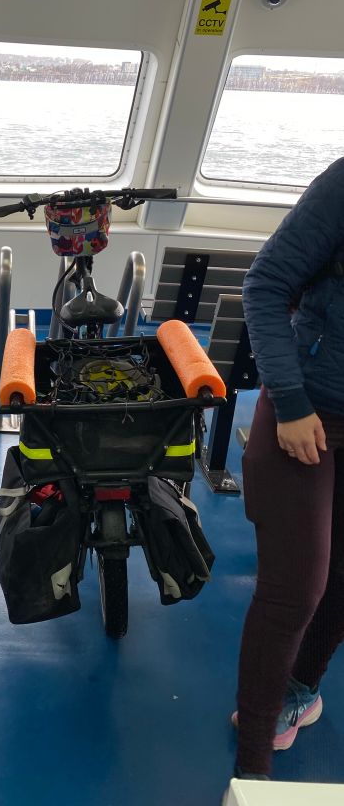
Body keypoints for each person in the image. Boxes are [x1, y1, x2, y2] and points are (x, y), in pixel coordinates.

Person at [235, 155, 344, 780]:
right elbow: (266, 285)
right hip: (307, 411)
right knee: (294, 590)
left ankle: (299, 691)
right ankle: (251, 768)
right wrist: (292, 403)